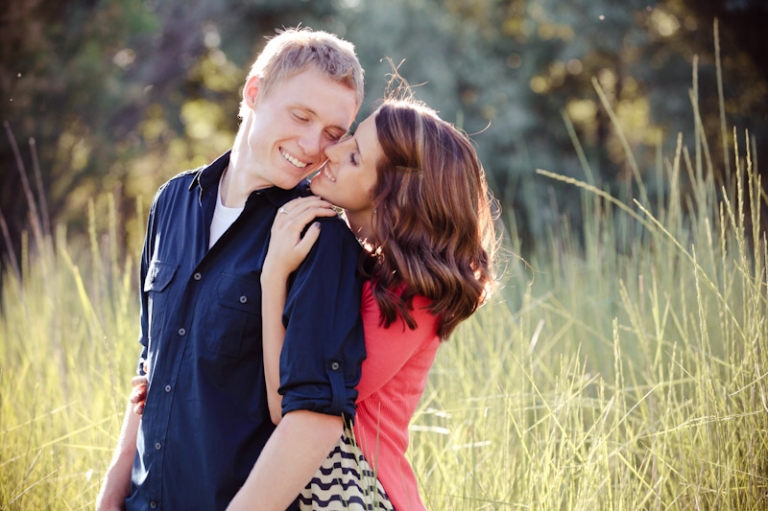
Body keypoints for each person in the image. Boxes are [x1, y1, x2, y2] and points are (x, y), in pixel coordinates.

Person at [96, 27, 368, 511]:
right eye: (301, 115)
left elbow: (315, 419)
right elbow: (150, 366)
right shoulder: (172, 201)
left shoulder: (321, 238)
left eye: (331, 133)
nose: (311, 145)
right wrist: (110, 497)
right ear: (254, 92)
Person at [261, 94, 498, 510]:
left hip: (359, 489)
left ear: (394, 197)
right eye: (349, 140)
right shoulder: (349, 259)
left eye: (354, 158)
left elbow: (292, 404)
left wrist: (273, 278)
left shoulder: (414, 297)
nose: (331, 151)